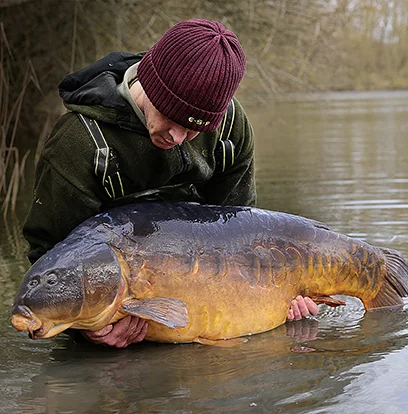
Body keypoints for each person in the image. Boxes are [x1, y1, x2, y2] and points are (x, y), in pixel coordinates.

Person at [23, 19, 318, 348]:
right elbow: (49, 257)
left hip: (194, 303)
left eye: (194, 129)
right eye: (170, 115)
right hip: (109, 310)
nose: (177, 137)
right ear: (150, 83)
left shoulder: (231, 129)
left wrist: (276, 296)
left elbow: (241, 234)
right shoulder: (79, 144)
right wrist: (88, 330)